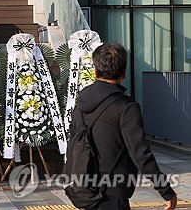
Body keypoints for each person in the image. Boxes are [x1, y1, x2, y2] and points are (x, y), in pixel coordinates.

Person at [68, 42, 177, 210]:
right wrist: (166, 190)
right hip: (113, 194)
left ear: (95, 71)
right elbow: (141, 155)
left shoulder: (80, 105)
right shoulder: (126, 107)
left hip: (83, 190)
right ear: (124, 73)